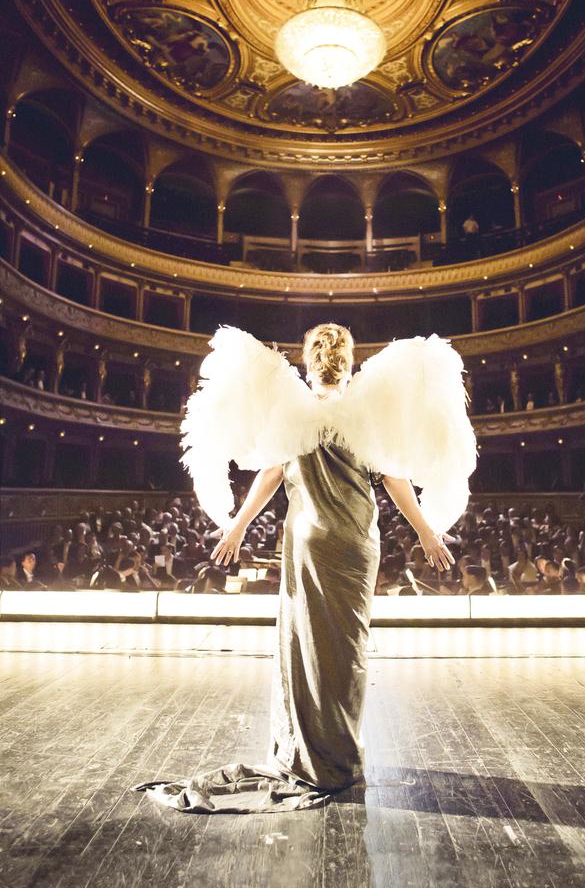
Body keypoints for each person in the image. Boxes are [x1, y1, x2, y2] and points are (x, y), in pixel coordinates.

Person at [133, 322, 476, 814]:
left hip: (309, 540)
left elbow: (269, 477)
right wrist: (424, 530)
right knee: (347, 646)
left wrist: (236, 527)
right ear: (349, 359)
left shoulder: (290, 410)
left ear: (308, 360)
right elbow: (395, 478)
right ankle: (337, 756)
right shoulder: (368, 409)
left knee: (305, 643)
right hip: (356, 543)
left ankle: (306, 751)